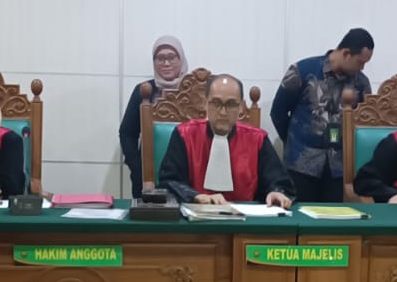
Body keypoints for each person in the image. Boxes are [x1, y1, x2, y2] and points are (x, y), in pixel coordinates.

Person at [270, 28, 374, 203]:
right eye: (360, 62)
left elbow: (364, 123)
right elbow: (278, 111)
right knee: (299, 213)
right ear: (346, 54)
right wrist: (292, 141)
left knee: (333, 217)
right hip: (301, 163)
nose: (362, 68)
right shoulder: (302, 71)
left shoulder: (361, 83)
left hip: (339, 168)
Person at [159, 74, 293, 207]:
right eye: (216, 103)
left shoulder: (257, 139)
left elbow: (279, 182)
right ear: (205, 104)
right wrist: (196, 196)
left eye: (231, 104)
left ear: (241, 107)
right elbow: (169, 182)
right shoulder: (185, 134)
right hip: (196, 215)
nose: (223, 112)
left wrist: (276, 192)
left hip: (245, 218)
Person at [119, 36, 188, 195]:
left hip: (186, 176)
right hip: (147, 179)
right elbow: (127, 133)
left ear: (181, 59)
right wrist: (137, 168)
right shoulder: (144, 91)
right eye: (160, 58)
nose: (166, 63)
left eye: (171, 57)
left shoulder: (194, 91)